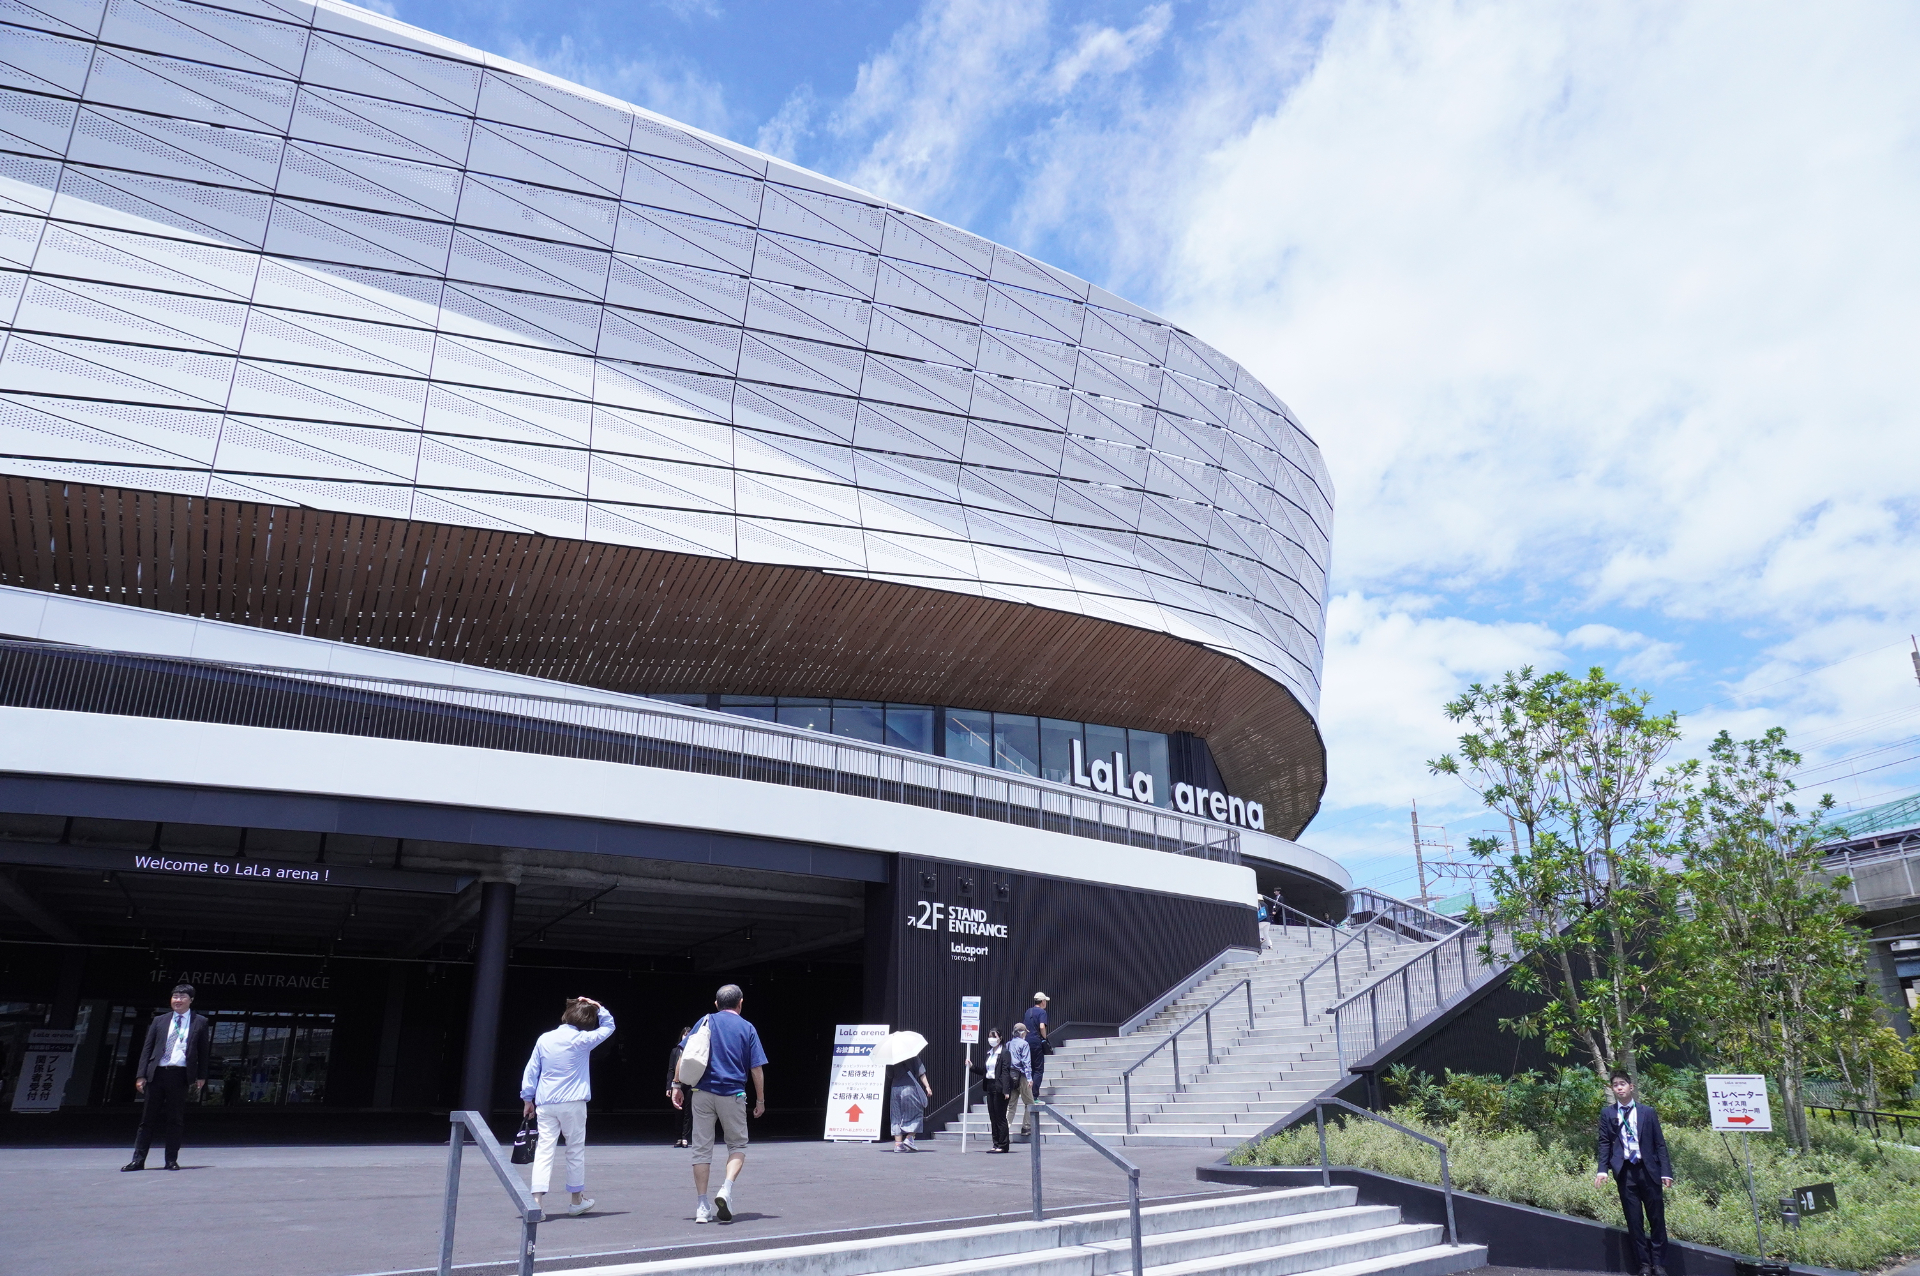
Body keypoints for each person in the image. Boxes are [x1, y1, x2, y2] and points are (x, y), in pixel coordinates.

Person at [674, 984, 766, 1224]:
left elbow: (685, 1053)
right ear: (741, 1002)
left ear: (716, 1004)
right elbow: (756, 1068)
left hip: (702, 1093)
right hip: (733, 1095)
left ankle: (702, 1206)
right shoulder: (747, 1028)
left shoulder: (705, 1021)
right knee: (737, 1145)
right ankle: (725, 1189)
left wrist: (676, 1085)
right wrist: (760, 1099)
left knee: (701, 1150)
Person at [520, 996, 615, 1217]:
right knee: (574, 1150)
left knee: (544, 1151)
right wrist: (599, 1006)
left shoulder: (544, 1039)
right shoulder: (582, 1040)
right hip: (573, 1103)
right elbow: (609, 1026)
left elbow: (531, 1070)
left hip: (545, 1103)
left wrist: (527, 1099)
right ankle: (575, 1201)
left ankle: (537, 1203)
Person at [123, 984, 211, 1171]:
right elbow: (147, 1049)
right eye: (174, 996)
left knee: (175, 1119)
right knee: (147, 1119)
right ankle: (138, 1160)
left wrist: (201, 1075)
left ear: (191, 1000)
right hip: (157, 1075)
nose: (177, 1000)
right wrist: (141, 1075)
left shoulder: (200, 1022)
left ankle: (171, 1160)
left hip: (180, 1075)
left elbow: (203, 1051)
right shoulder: (160, 1021)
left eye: (182, 997)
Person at [1594, 1069, 1673, 1276]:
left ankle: (1659, 1264)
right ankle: (1644, 1265)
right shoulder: (1608, 1113)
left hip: (1649, 1171)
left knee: (1656, 1218)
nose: (1619, 1087)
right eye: (1615, 1085)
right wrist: (1602, 1170)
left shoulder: (1648, 1112)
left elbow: (1660, 1144)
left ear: (1631, 1087)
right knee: (1634, 1220)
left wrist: (1666, 1172)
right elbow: (1604, 1143)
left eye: (1622, 1083)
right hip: (1625, 1172)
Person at [970, 1027, 1012, 1152]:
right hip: (989, 1086)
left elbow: (1005, 1072)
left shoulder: (1004, 1053)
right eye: (990, 1036)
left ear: (1000, 1038)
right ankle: (996, 1143)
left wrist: (1006, 1090)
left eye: (994, 1036)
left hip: (999, 1086)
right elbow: (986, 1071)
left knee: (1000, 1117)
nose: (991, 1039)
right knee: (992, 1116)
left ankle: (1003, 1144)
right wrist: (972, 1067)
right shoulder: (990, 1053)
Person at [888, 1048, 932, 1151]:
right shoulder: (912, 1056)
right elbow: (921, 1073)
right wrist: (927, 1087)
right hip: (909, 1087)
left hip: (895, 1088)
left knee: (896, 1116)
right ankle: (909, 1138)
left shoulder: (891, 1059)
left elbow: (890, 1075)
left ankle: (898, 1145)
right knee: (917, 1113)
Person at [666, 1026, 694, 1148]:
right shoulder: (675, 1051)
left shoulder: (695, 1050)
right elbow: (671, 1070)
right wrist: (669, 1086)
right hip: (678, 1084)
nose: (686, 1036)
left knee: (689, 1111)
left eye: (689, 1034)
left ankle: (685, 1137)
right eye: (684, 1034)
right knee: (678, 1111)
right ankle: (678, 1137)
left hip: (690, 1084)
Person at [1008, 1021, 1037, 1140]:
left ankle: (1005, 1128)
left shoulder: (1008, 1044)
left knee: (1011, 1105)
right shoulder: (1024, 1044)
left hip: (1010, 1076)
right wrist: (1030, 1078)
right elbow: (1026, 1062)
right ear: (1022, 1033)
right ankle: (1026, 1127)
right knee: (1030, 1103)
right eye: (1025, 1032)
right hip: (1022, 1076)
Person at [1023, 992, 1050, 1096]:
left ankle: (1027, 1093)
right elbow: (1042, 1026)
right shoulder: (1042, 1012)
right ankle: (1034, 1095)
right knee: (1038, 1069)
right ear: (1042, 1002)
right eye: (1045, 1001)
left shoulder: (1028, 1011)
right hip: (1036, 1041)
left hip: (1026, 1041)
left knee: (1030, 1067)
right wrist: (1045, 1038)